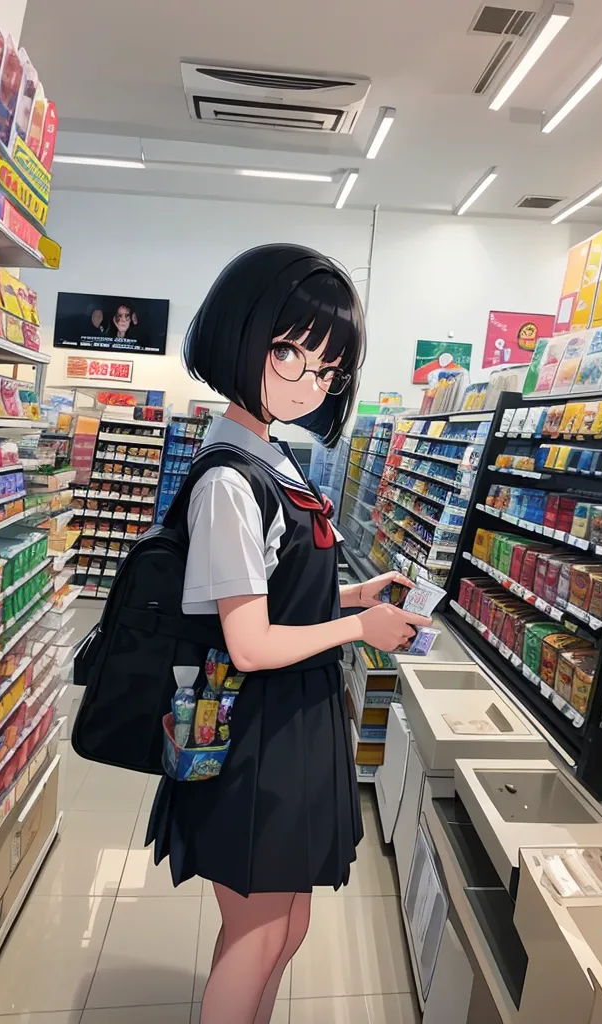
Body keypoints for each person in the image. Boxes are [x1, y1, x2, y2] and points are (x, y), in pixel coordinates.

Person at [146, 244, 430, 1024]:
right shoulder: (231, 479)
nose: (309, 382)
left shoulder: (267, 455)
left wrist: (353, 592)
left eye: (329, 370)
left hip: (288, 724)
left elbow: (273, 594)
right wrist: (356, 626)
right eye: (289, 352)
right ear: (242, 334)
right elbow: (248, 641)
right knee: (259, 932)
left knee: (285, 927)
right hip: (252, 736)